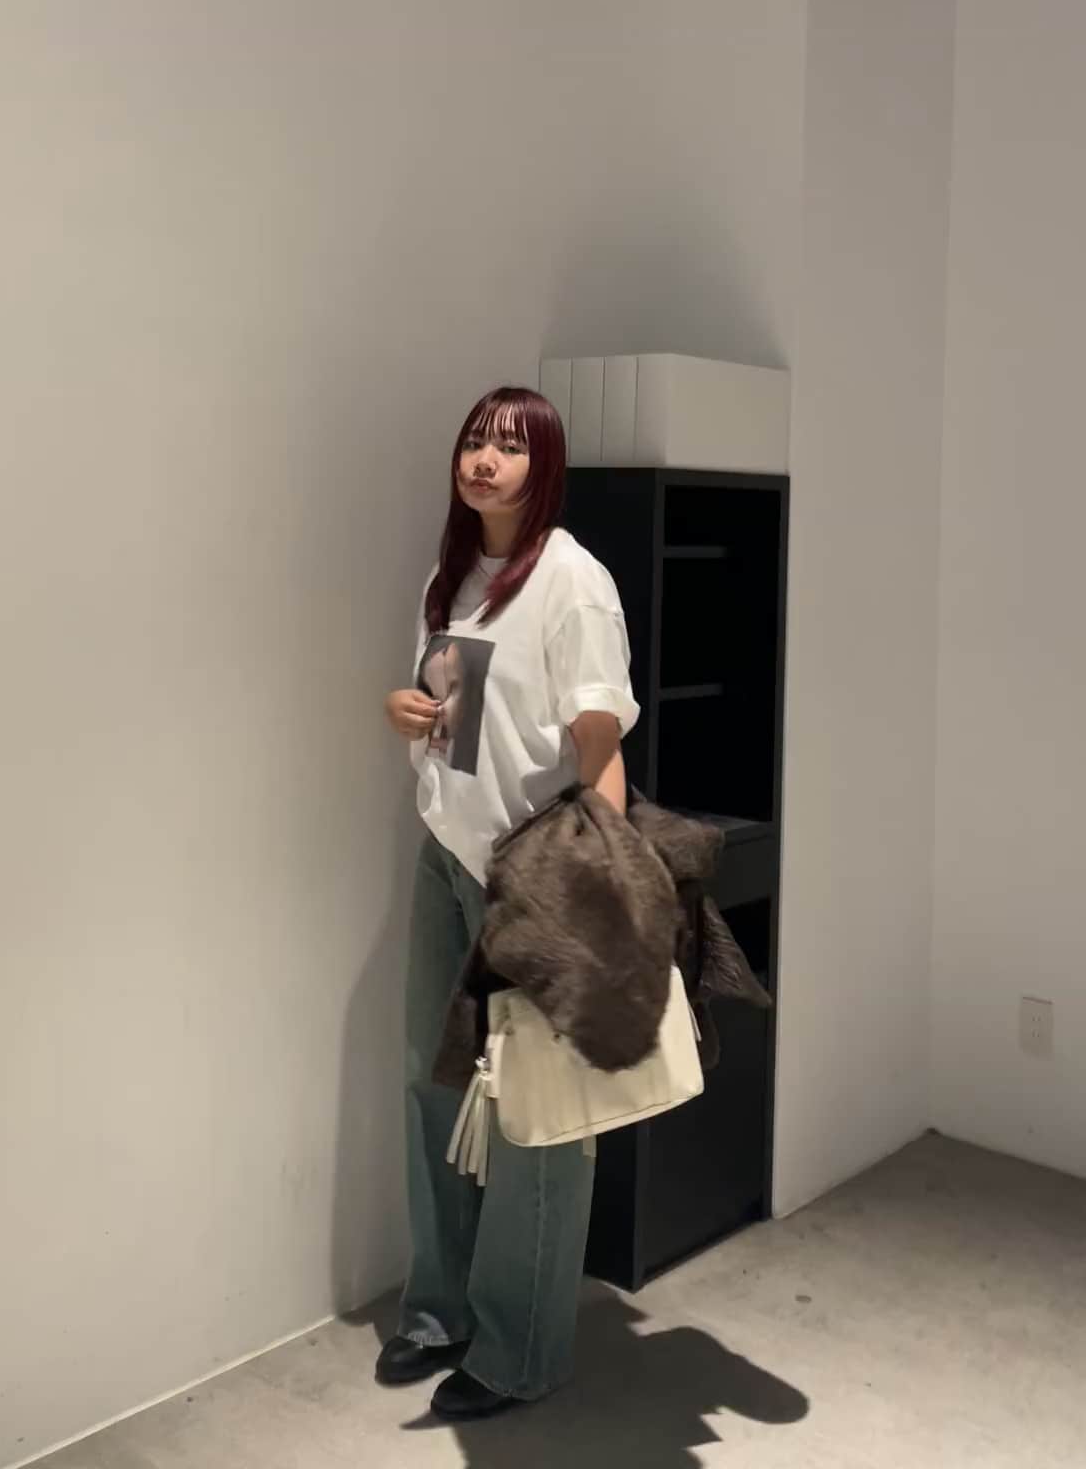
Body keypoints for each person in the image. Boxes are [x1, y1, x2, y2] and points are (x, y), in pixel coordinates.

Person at [376, 385, 639, 1423]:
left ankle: (519, 1350)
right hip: (445, 858)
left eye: (511, 446)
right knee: (433, 1085)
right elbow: (456, 714)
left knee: (540, 1115)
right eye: (476, 440)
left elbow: (598, 747)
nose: (485, 460)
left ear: (546, 466)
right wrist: (405, 710)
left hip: (535, 877)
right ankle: (439, 1309)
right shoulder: (450, 575)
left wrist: (595, 892)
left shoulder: (573, 581)